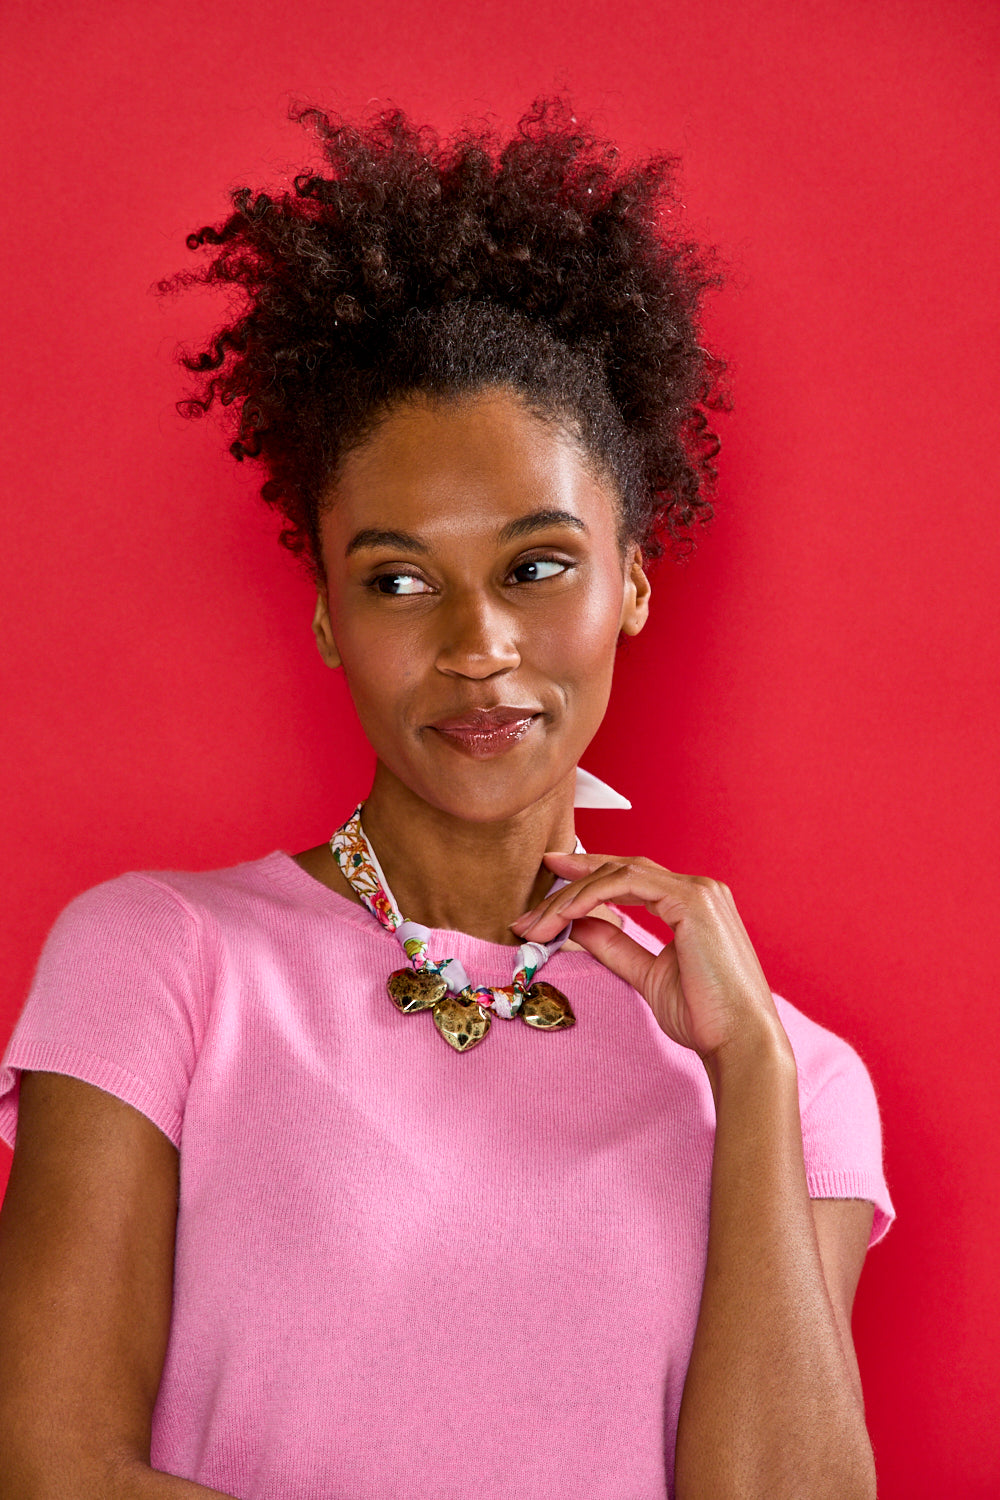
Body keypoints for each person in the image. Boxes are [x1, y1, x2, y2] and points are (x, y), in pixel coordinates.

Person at [0, 95, 894, 1499]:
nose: (479, 646)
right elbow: (54, 1470)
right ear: (326, 614)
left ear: (633, 581)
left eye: (537, 567)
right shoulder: (163, 961)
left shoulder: (791, 1078)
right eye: (401, 579)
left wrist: (753, 1078)